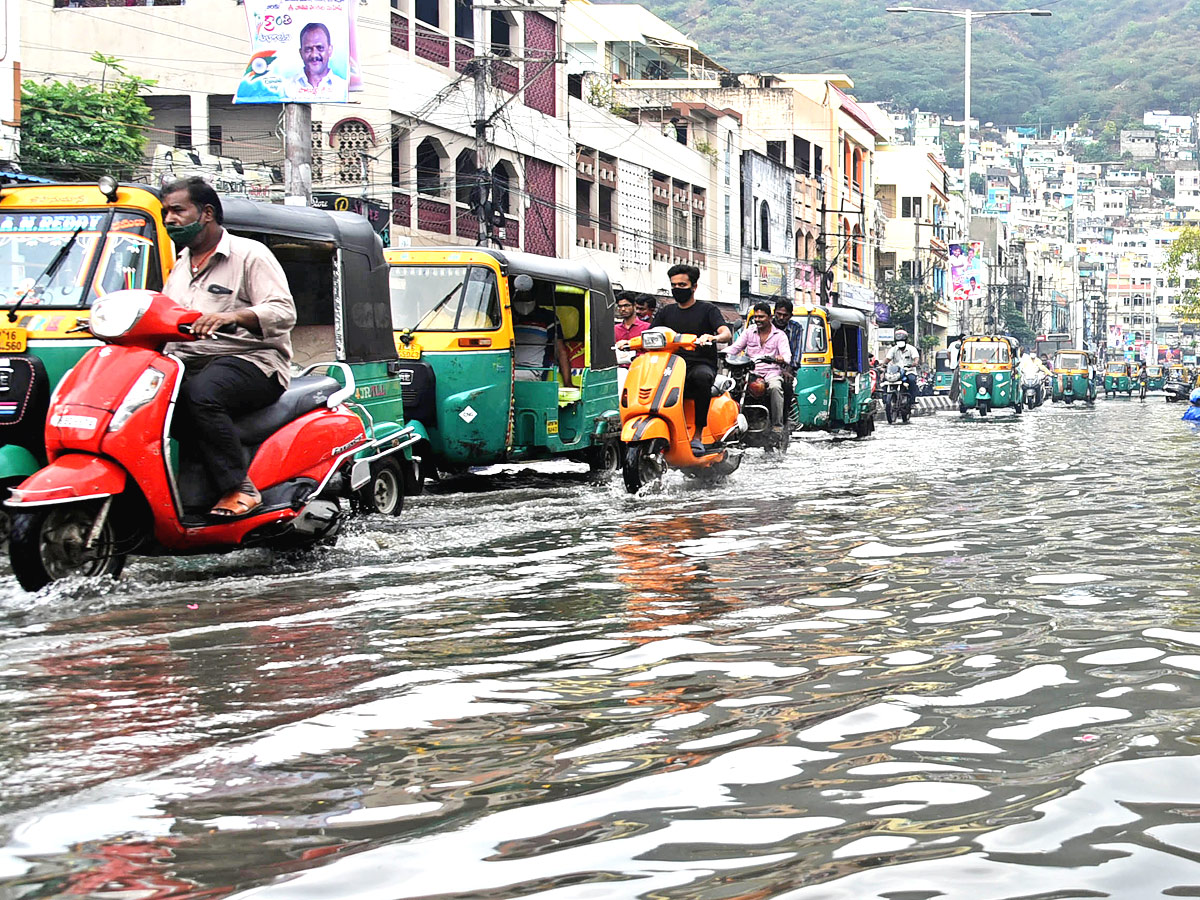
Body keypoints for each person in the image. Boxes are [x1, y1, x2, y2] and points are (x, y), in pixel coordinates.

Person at [161, 177, 296, 518]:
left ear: (206, 213)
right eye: (165, 212)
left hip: (252, 359)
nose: (168, 219)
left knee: (201, 395)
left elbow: (283, 311)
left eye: (178, 210)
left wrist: (233, 316)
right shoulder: (180, 264)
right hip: (188, 361)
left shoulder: (250, 254)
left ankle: (239, 486)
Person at [645, 264, 731, 454]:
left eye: (682, 285)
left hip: (699, 364)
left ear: (694, 287)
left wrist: (713, 337)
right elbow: (650, 334)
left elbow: (725, 333)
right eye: (674, 285)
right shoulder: (665, 312)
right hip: (670, 365)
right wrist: (627, 343)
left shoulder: (708, 310)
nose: (677, 289)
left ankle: (698, 434)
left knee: (701, 378)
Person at [726, 301, 791, 430]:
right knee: (731, 388)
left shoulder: (780, 335)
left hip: (771, 373)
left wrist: (779, 358)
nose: (757, 320)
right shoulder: (749, 332)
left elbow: (787, 357)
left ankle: (777, 426)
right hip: (751, 373)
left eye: (761, 317)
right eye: (756, 317)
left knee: (775, 388)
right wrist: (723, 353)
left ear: (770, 317)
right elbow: (736, 347)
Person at [513, 292, 573, 386]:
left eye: (527, 298)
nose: (524, 303)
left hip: (533, 372)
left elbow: (561, 352)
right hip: (507, 369)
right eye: (521, 298)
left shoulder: (547, 317)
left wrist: (568, 383)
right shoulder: (508, 317)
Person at [289, 22, 349, 101]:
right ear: (301, 53)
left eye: (320, 48)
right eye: (308, 49)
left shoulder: (342, 89)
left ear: (330, 50)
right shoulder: (287, 88)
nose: (314, 55)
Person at [772, 298, 804, 426]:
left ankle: (782, 424)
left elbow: (796, 354)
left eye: (785, 315)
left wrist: (788, 371)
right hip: (765, 368)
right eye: (778, 314)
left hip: (786, 370)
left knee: (786, 387)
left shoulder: (796, 328)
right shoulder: (766, 325)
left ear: (790, 316)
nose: (781, 317)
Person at [885, 329, 920, 405]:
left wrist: (914, 363)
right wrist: (882, 365)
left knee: (912, 380)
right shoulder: (893, 349)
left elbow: (916, 358)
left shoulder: (911, 349)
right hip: (896, 372)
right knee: (884, 381)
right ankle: (885, 399)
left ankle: (912, 400)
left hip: (909, 371)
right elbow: (887, 359)